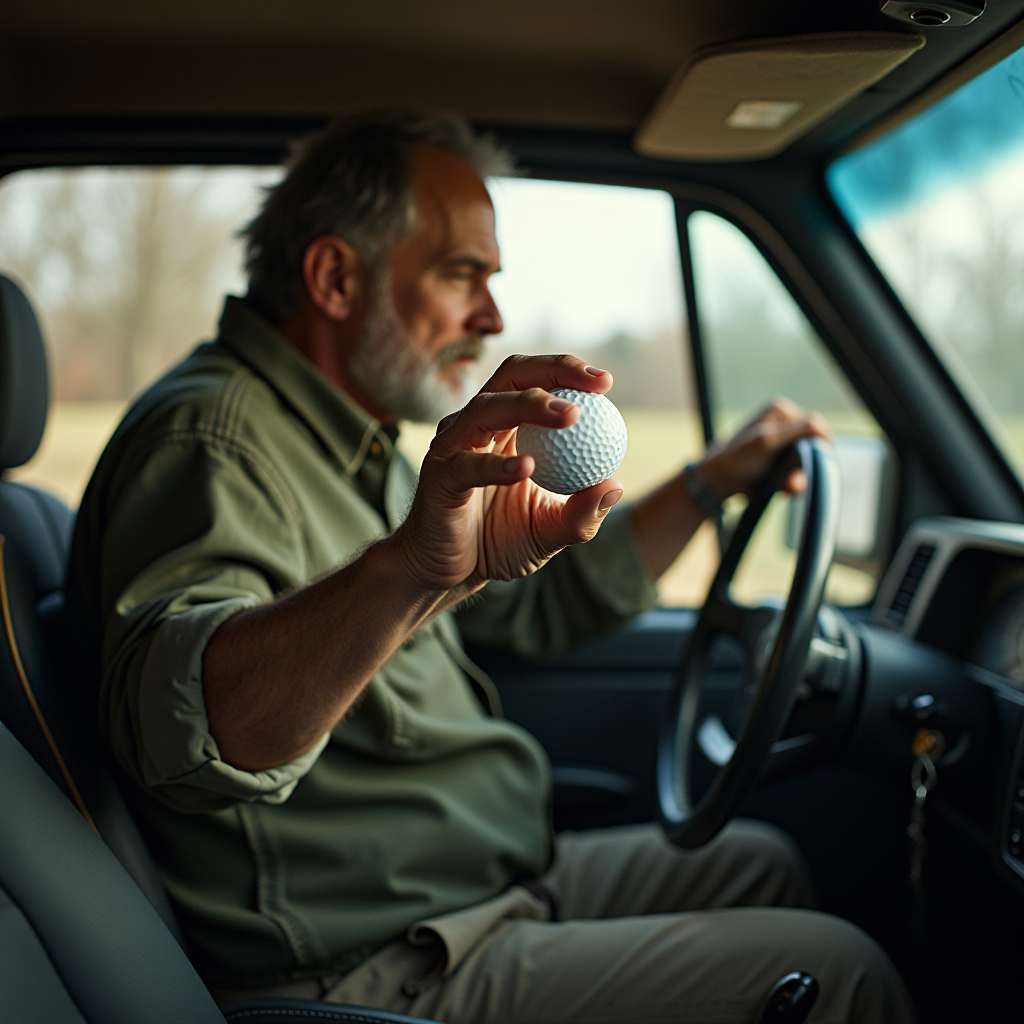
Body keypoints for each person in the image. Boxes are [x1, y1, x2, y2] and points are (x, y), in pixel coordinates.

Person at [66, 111, 916, 1024]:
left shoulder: (358, 441)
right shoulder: (216, 443)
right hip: (371, 961)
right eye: (461, 272)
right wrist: (406, 570)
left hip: (480, 880)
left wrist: (709, 483)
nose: (493, 316)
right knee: (843, 973)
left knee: (764, 862)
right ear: (335, 277)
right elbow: (183, 732)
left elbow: (527, 608)